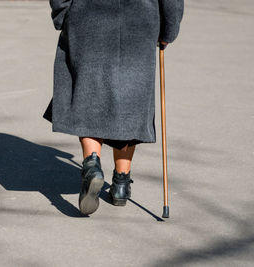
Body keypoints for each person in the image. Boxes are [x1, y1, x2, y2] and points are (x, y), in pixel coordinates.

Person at [43, 0, 184, 215]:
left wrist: (62, 14)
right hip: (140, 23)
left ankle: (92, 164)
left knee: (87, 94)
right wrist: (169, 29)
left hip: (87, 18)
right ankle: (121, 184)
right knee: (130, 99)